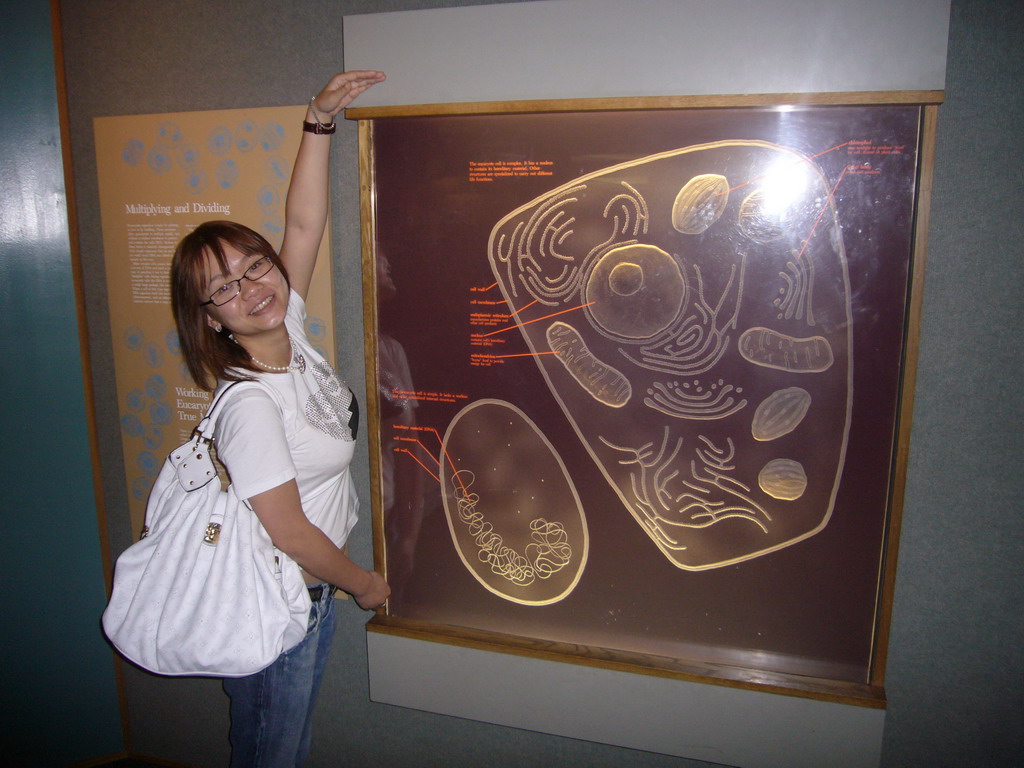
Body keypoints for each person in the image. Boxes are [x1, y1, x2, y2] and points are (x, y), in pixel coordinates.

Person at [169, 70, 389, 767]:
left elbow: (303, 222)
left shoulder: (285, 321)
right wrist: (364, 584)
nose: (250, 289)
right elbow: (289, 530)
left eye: (254, 266)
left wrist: (318, 120)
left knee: (283, 743)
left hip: (306, 600)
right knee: (271, 751)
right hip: (281, 601)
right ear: (209, 319)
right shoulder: (252, 406)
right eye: (223, 288)